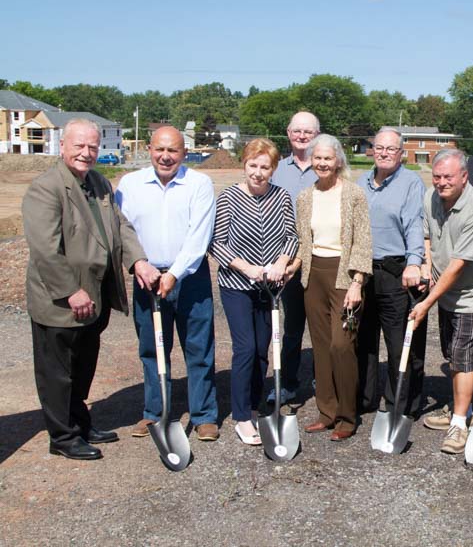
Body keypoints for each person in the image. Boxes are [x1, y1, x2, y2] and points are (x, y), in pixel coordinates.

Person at [24, 118, 156, 460]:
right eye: (79, 146)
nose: (86, 153)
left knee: (82, 367)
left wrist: (138, 261)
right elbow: (45, 249)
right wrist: (70, 290)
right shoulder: (46, 187)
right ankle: (63, 437)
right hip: (62, 299)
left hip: (94, 295)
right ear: (63, 146)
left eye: (93, 147)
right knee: (58, 371)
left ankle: (79, 422)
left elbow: (120, 226)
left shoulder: (98, 183)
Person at [116, 126, 219, 441]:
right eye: (160, 149)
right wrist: (138, 264)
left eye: (173, 150)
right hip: (147, 276)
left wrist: (174, 273)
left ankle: (203, 415)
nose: (165, 156)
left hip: (190, 277)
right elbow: (122, 230)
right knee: (152, 348)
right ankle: (154, 412)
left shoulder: (199, 184)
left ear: (183, 153)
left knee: (198, 348)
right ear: (149, 149)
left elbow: (199, 236)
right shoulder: (130, 185)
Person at [209, 138, 298, 446]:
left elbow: (291, 236)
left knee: (263, 349)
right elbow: (217, 243)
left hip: (269, 286)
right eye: (253, 165)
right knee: (245, 348)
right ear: (243, 165)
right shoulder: (229, 198)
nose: (258, 173)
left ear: (273, 169)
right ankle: (241, 416)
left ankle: (257, 406)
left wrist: (282, 262)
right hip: (237, 285)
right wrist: (247, 268)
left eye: (265, 167)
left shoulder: (281, 197)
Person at [409, 149, 473, 455]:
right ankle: (471, 405)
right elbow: (428, 237)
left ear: (464, 177)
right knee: (453, 355)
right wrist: (426, 266)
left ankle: (459, 424)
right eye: (437, 176)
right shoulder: (432, 198)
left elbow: (459, 264)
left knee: (462, 357)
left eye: (449, 177)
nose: (442, 182)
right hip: (446, 291)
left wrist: (426, 302)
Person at [294, 134, 372, 441]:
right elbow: (303, 242)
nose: (322, 163)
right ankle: (326, 412)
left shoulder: (354, 195)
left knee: (342, 344)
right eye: (317, 158)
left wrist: (357, 282)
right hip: (314, 277)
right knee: (322, 347)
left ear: (338, 160)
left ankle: (346, 416)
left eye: (328, 158)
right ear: (311, 161)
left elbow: (363, 240)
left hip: (344, 278)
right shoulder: (304, 197)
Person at [356, 129, 428, 417]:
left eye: (391, 149)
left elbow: (414, 224)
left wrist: (414, 261)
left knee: (399, 344)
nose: (384, 152)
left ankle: (400, 405)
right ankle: (364, 398)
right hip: (363, 271)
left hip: (396, 270)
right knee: (364, 341)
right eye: (379, 148)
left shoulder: (411, 183)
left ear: (401, 154)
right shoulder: (361, 181)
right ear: (372, 150)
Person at [267, 111, 320, 405]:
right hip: (284, 261)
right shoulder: (277, 169)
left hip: (321, 259)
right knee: (291, 327)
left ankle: (322, 380)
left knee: (322, 326)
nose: (302, 136)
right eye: (297, 131)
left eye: (308, 132)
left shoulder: (326, 166)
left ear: (317, 134)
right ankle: (287, 383)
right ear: (288, 133)